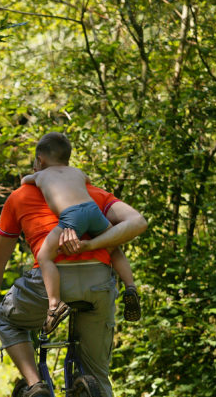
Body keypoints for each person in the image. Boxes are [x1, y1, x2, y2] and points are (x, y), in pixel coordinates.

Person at [0, 132, 147, 397]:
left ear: (39, 161)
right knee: (97, 375)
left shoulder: (20, 197)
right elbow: (136, 221)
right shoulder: (92, 193)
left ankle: (35, 386)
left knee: (7, 321)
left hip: (48, 284)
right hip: (98, 281)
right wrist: (93, 246)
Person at [20, 133, 141, 333]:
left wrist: (34, 175)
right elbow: (88, 179)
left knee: (44, 256)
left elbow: (26, 181)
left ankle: (54, 305)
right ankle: (130, 287)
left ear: (40, 161)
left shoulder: (41, 174)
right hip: (92, 210)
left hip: (72, 217)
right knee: (114, 248)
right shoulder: (76, 172)